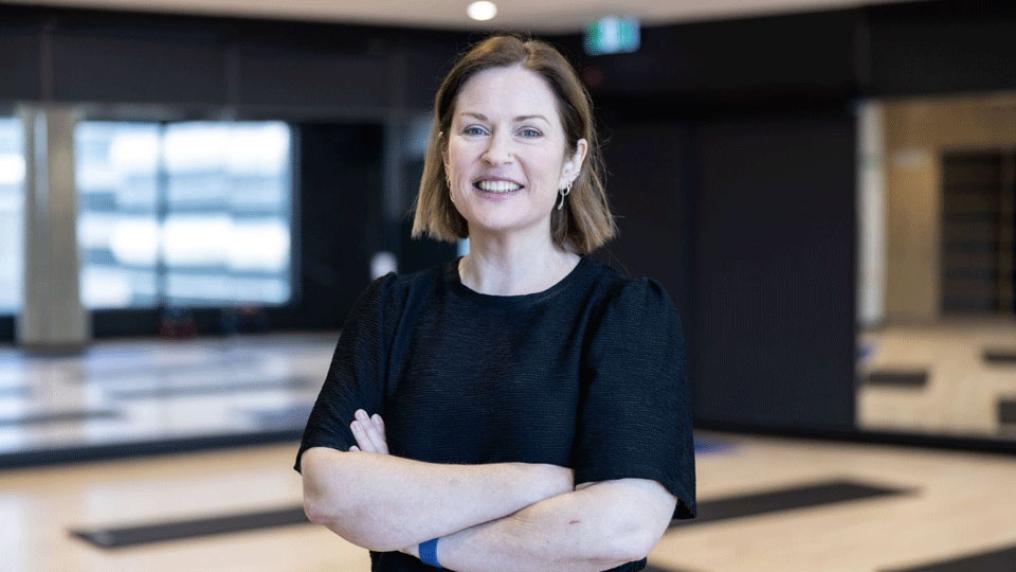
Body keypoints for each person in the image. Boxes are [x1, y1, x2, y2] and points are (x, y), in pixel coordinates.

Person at [295, 34, 696, 572]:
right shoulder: (391, 310)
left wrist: (422, 538)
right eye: (475, 129)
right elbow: (329, 492)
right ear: (446, 152)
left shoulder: (625, 316)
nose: (497, 154)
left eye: (529, 131)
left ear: (572, 160)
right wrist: (543, 481)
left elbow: (620, 528)